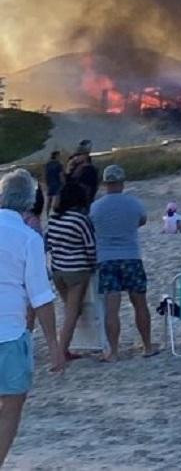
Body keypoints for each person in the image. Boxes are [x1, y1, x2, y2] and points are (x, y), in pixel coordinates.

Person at [0, 170, 64, 465]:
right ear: (29, 202)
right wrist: (54, 345)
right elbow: (40, 295)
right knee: (11, 405)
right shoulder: (28, 238)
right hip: (10, 333)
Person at [90, 165, 156, 361]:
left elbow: (92, 225)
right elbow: (142, 221)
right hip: (131, 255)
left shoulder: (96, 206)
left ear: (105, 183)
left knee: (112, 307)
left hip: (107, 259)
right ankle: (147, 345)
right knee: (140, 303)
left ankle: (114, 351)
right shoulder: (134, 203)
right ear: (122, 182)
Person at [44, 181, 96, 361]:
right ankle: (61, 351)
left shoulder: (53, 219)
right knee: (73, 312)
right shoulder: (80, 219)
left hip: (58, 270)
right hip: (77, 270)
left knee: (71, 309)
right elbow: (90, 246)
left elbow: (48, 244)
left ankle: (63, 347)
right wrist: (93, 265)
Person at [44, 150, 64, 216]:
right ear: (56, 156)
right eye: (59, 155)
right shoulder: (59, 164)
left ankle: (47, 214)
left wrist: (46, 183)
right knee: (57, 199)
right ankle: (56, 213)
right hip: (57, 183)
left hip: (49, 183)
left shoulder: (48, 164)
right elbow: (60, 175)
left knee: (49, 200)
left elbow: (46, 174)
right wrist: (63, 182)